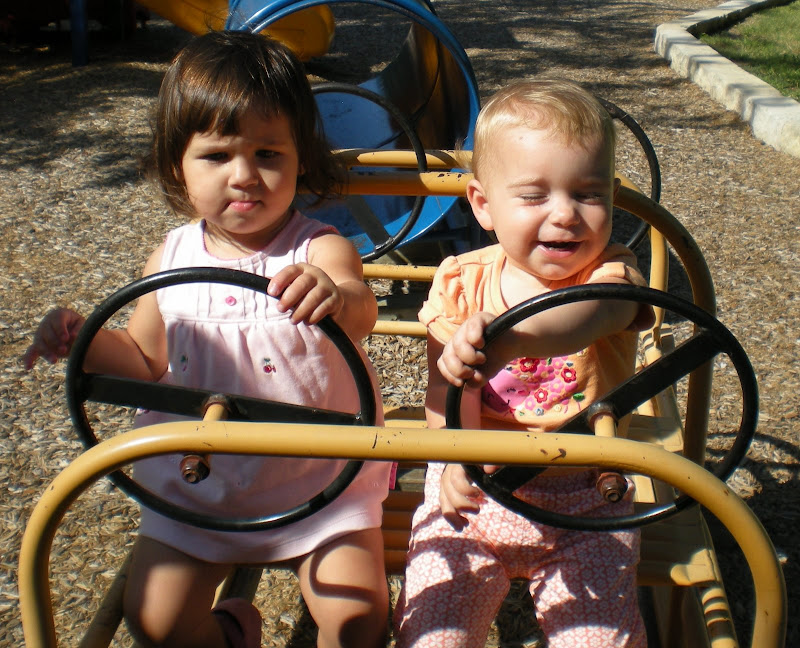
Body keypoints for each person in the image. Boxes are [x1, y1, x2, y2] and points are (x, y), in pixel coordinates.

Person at [23, 31, 391, 648]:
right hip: (201, 484)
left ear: (301, 157)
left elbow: (361, 311)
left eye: (268, 153)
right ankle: (233, 631)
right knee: (156, 623)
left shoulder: (317, 248)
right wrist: (83, 339)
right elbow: (145, 358)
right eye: (217, 155)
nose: (245, 176)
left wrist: (334, 293)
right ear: (179, 165)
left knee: (357, 620)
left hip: (319, 478)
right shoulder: (171, 258)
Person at [394, 79, 654, 648]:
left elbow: (595, 314)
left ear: (611, 198)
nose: (565, 215)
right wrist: (452, 461)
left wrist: (511, 340)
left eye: (588, 194)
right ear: (483, 205)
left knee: (599, 642)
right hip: (474, 487)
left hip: (587, 493)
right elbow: (442, 393)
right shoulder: (463, 283)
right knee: (432, 633)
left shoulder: (612, 272)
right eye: (535, 196)